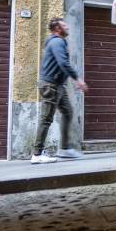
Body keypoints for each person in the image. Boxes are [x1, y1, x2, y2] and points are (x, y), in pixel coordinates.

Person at [31, 17, 88, 164]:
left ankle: (64, 149)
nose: (68, 27)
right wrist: (78, 79)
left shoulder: (58, 42)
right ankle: (37, 154)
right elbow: (63, 62)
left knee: (68, 112)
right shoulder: (57, 42)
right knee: (46, 119)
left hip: (57, 85)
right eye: (65, 26)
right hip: (50, 85)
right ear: (57, 29)